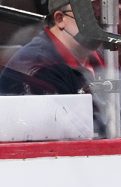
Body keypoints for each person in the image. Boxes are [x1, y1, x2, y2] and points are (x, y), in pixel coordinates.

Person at [0, 0, 107, 136]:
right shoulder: (40, 68)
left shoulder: (104, 57)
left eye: (103, 13)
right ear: (60, 19)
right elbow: (73, 137)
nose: (101, 22)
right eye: (91, 14)